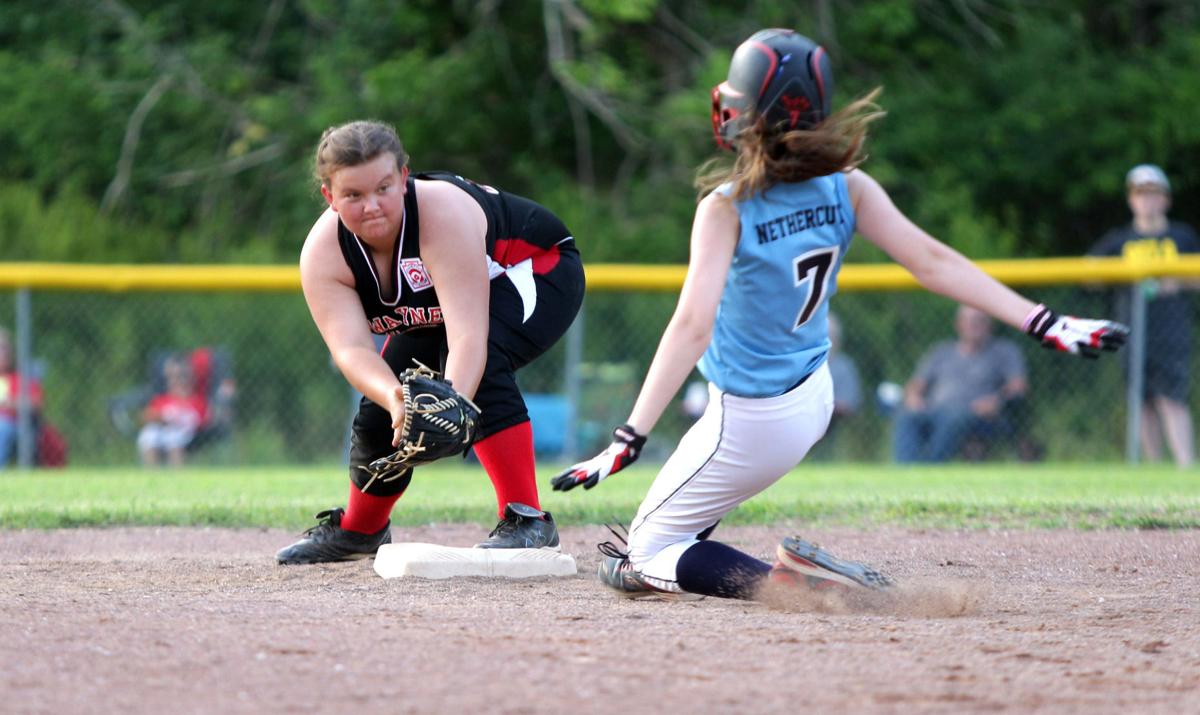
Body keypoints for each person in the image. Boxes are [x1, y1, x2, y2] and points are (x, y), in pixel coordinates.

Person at [550, 29, 1127, 602]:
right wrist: (1043, 320)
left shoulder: (726, 207)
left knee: (644, 554)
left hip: (747, 421)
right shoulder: (845, 187)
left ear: (747, 116)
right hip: (812, 397)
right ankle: (716, 557)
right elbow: (933, 262)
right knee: (658, 543)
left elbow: (692, 327)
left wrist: (629, 437)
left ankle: (798, 584)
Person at [276, 120, 585, 564]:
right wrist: (396, 398)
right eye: (353, 195)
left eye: (383, 187)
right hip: (443, 309)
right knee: (382, 405)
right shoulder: (324, 252)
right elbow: (352, 352)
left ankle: (528, 519)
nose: (373, 206)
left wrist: (451, 401)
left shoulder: (440, 216)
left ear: (404, 178)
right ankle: (361, 529)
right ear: (329, 196)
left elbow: (468, 339)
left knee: (484, 366)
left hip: (535, 268)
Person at [1090, 164, 1199, 467]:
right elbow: (1089, 275)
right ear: (1131, 200)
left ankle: (1184, 465)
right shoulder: (1119, 240)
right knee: (1141, 399)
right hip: (1132, 329)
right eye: (1141, 194)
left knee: (1171, 398)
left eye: (1154, 194)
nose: (1147, 201)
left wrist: (1177, 281)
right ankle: (1151, 468)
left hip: (1171, 329)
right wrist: (1121, 277)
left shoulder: (1181, 236)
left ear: (1165, 199)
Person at [892, 305, 1028, 463]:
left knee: (954, 418)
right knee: (907, 415)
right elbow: (916, 384)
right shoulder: (941, 352)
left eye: (979, 321)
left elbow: (1018, 386)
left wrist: (997, 400)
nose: (974, 326)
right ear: (958, 324)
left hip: (976, 413)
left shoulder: (1004, 351)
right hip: (935, 409)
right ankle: (906, 469)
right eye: (969, 321)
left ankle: (929, 466)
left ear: (990, 325)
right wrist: (913, 397)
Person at [136, 355, 207, 467]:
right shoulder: (162, 400)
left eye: (182, 376)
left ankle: (177, 475)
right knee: (149, 434)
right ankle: (152, 474)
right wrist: (158, 418)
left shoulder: (197, 401)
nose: (178, 381)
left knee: (173, 437)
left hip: (185, 435)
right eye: (173, 377)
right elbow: (146, 417)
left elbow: (202, 422)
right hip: (161, 431)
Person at [0, 327, 43, 467]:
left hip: (16, 425)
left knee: (2, 427)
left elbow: (36, 404)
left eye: (5, 348)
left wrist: (10, 404)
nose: (3, 353)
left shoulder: (21, 378)